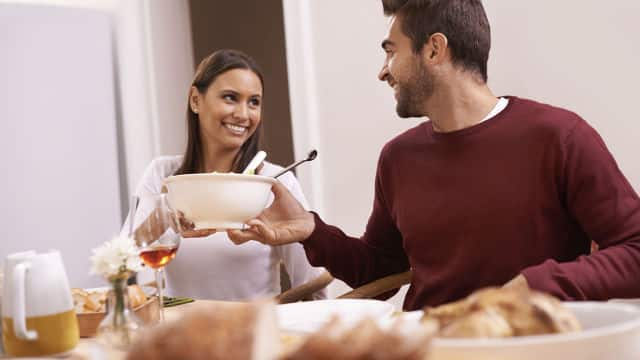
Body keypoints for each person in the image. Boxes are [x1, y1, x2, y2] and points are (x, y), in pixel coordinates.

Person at [228, 0, 640, 310]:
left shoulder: (560, 137)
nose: (383, 70)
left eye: (392, 51)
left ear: (434, 50)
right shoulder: (398, 158)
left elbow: (635, 251)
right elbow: (381, 271)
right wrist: (309, 230)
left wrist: (539, 285)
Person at [132, 49, 326, 301]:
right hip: (179, 332)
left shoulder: (275, 182)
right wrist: (165, 221)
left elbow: (312, 283)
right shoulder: (162, 174)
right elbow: (123, 259)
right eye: (230, 98)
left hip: (253, 333)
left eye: (254, 102)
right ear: (195, 100)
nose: (244, 114)